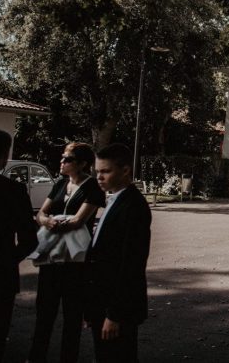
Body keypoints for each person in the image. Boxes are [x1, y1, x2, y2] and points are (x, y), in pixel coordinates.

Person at [29, 143, 106, 363]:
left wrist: (53, 222)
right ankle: (36, 356)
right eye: (63, 158)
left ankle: (68, 357)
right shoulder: (60, 184)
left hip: (75, 261)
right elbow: (41, 213)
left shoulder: (92, 187)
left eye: (68, 159)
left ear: (82, 164)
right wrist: (46, 220)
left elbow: (80, 220)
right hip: (52, 258)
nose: (62, 162)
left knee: (72, 315)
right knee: (44, 313)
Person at [85, 143, 151, 362]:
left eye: (106, 171)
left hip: (117, 308)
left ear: (125, 170)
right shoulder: (113, 199)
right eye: (97, 172)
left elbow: (131, 264)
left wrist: (115, 314)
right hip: (100, 301)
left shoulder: (134, 206)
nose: (99, 177)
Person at [0, 129, 37, 361]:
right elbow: (29, 240)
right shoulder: (13, 191)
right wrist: (7, 259)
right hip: (1, 277)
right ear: (3, 156)